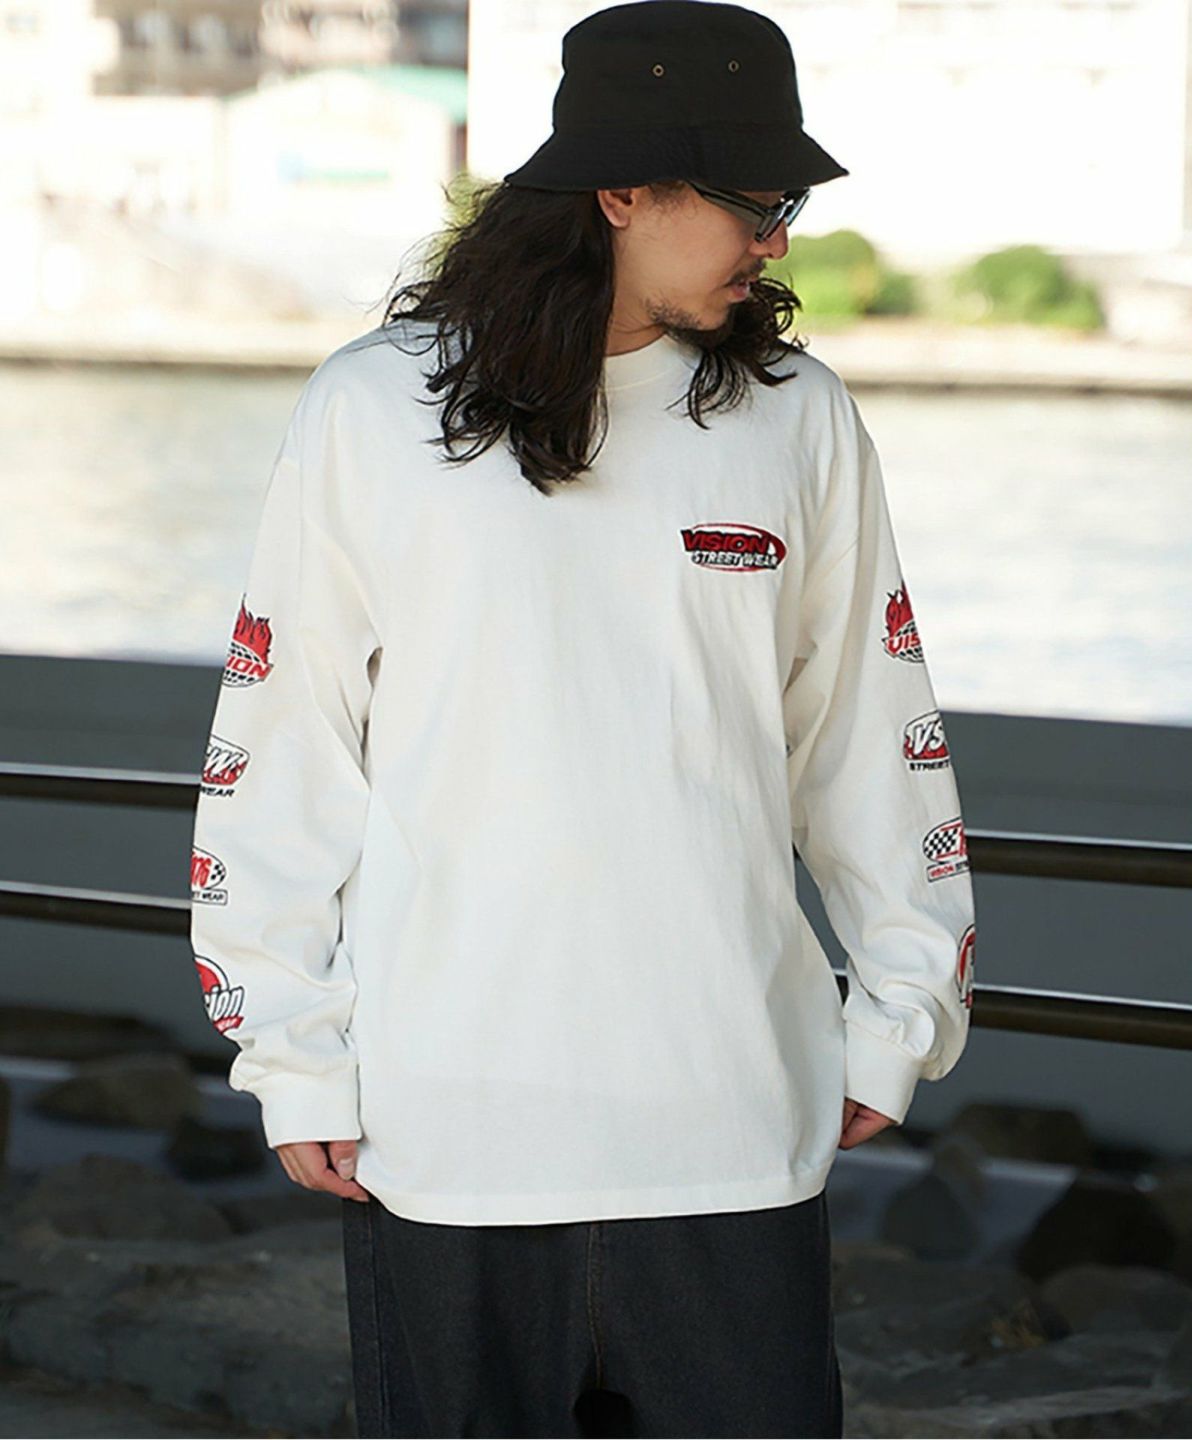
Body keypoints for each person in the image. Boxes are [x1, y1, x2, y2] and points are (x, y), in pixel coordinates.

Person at [187, 2, 977, 1435]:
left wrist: (898, 1016)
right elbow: (285, 745)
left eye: (787, 206)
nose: (777, 241)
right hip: (450, 1130)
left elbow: (871, 736)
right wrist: (292, 1052)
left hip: (733, 1119)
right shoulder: (373, 410)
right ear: (621, 191)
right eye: (754, 203)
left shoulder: (798, 418)